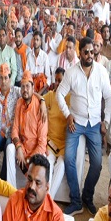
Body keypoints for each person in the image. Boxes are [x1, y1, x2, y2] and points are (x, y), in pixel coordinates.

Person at [57, 36, 111, 216]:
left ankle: (87, 197)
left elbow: (109, 97)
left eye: (92, 52)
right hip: (76, 122)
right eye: (86, 52)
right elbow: (59, 95)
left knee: (97, 164)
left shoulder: (101, 72)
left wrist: (106, 121)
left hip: (94, 123)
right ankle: (75, 201)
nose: (90, 55)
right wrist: (68, 115)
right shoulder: (72, 72)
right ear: (79, 53)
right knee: (69, 159)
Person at [6, 71, 49, 189]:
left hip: (35, 150)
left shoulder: (40, 108)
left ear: (33, 88)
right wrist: (18, 147)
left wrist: (29, 159)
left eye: (27, 86)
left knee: (42, 157)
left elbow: (42, 143)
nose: (25, 89)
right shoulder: (19, 102)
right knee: (10, 148)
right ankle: (11, 190)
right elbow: (14, 129)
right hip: (23, 147)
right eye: (22, 86)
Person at [43, 67, 68, 198]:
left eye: (61, 81)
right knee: (48, 161)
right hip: (51, 142)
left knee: (62, 164)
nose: (58, 84)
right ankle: (48, 197)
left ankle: (49, 198)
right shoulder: (51, 96)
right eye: (56, 81)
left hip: (64, 144)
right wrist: (42, 104)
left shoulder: (69, 98)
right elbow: (39, 99)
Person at [0, 27, 18, 91]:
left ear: (6, 37)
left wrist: (10, 84)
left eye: (3, 35)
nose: (1, 38)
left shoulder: (11, 51)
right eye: (0, 36)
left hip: (8, 82)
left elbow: (14, 70)